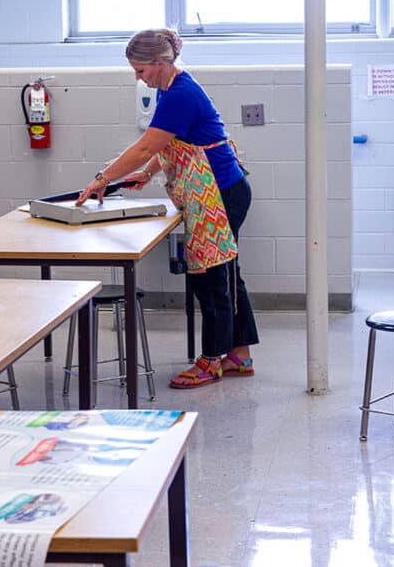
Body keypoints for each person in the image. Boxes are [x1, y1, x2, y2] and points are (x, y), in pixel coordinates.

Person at [77, 28, 259, 389]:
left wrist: (102, 178)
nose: (137, 77)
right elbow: (173, 143)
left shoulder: (181, 94)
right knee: (225, 274)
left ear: (160, 63)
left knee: (211, 278)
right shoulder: (171, 88)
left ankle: (212, 361)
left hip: (220, 195)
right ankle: (239, 354)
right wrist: (147, 174)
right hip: (220, 191)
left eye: (140, 70)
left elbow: (147, 146)